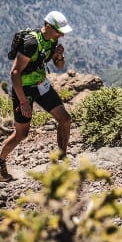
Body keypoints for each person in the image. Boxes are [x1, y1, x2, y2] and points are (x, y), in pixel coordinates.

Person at [0, 11, 73, 182]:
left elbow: (59, 66)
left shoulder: (53, 40)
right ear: (47, 26)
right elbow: (15, 73)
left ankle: (61, 161)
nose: (61, 34)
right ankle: (1, 160)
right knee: (21, 134)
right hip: (23, 90)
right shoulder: (31, 43)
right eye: (58, 31)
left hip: (41, 85)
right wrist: (23, 102)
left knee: (65, 119)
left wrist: (59, 56)